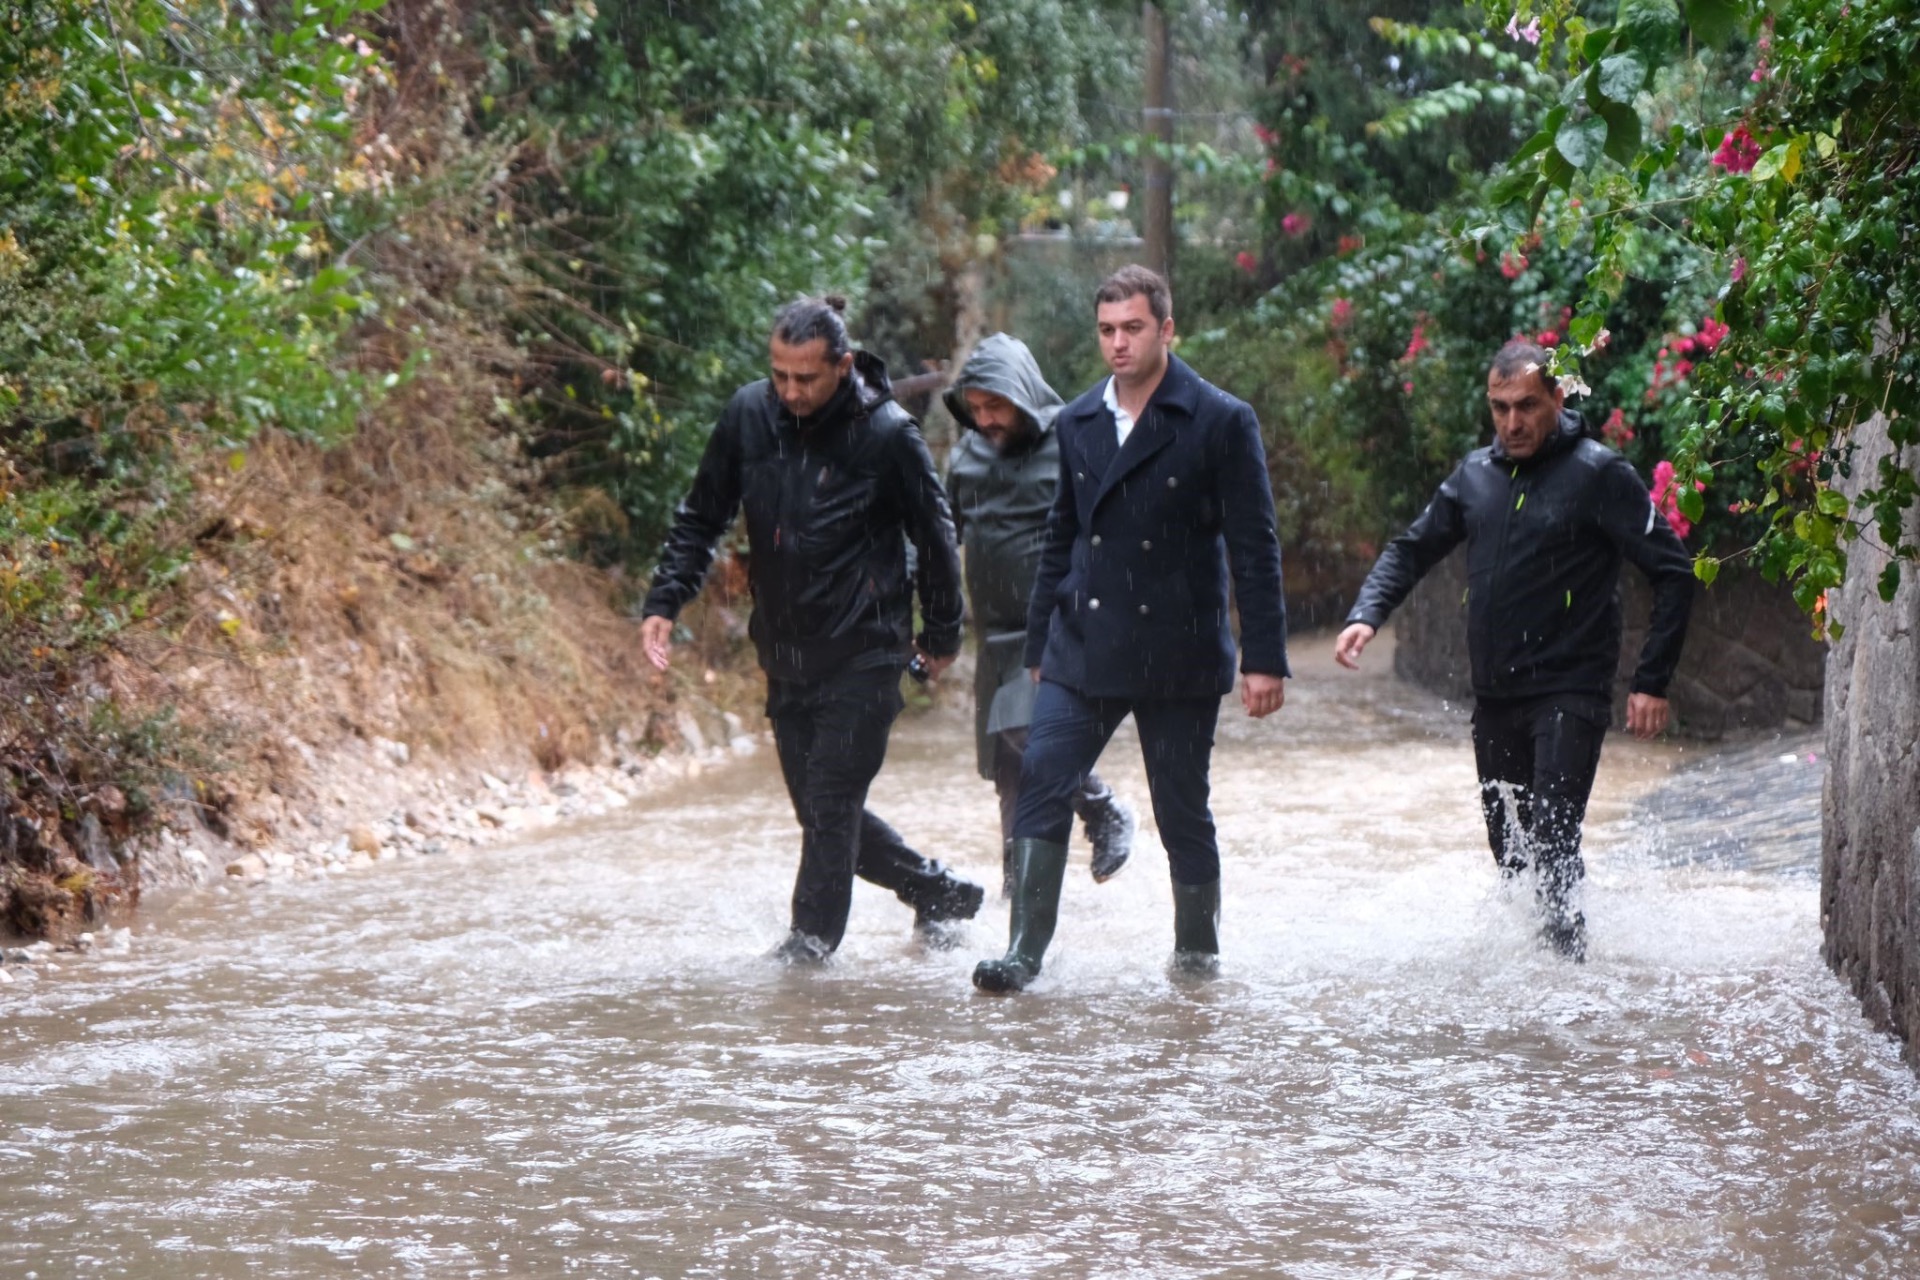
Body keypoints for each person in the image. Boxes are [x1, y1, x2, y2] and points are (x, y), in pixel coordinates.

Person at [972, 265, 1290, 993]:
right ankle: (1024, 950)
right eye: (1108, 330)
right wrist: (1036, 649)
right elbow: (1062, 535)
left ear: (1167, 330)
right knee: (1045, 777)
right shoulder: (1079, 420)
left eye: (1133, 328)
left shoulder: (1218, 418)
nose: (1119, 343)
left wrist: (1264, 657)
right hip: (1082, 643)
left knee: (1181, 806)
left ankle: (1197, 955)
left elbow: (1254, 543)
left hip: (1180, 645)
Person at [639, 295, 985, 963]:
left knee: (829, 803)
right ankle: (933, 890)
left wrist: (941, 634)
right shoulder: (748, 416)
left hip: (867, 650)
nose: (791, 392)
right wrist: (665, 598)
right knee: (824, 813)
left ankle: (808, 949)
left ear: (844, 366)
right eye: (780, 376)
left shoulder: (888, 436)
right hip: (786, 649)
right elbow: (702, 515)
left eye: (807, 378)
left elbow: (936, 537)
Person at [1333, 341, 1695, 962]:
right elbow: (1410, 549)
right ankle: (1533, 997)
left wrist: (1651, 681)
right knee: (1513, 858)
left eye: (1526, 405)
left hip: (1570, 693)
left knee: (1554, 841)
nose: (1512, 422)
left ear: (1558, 398)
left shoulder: (1598, 473)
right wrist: (1368, 613)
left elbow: (1675, 572)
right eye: (1499, 408)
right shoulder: (1475, 476)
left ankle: (1567, 991)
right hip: (1497, 698)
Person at [942, 333, 1137, 895]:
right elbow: (940, 534)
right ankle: (1020, 906)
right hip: (995, 641)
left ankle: (1102, 808)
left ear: (1024, 395)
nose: (986, 420)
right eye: (975, 409)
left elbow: (1116, 529)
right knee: (1014, 780)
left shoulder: (1073, 440)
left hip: (1059, 631)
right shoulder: (967, 458)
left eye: (996, 405)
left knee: (1028, 730)